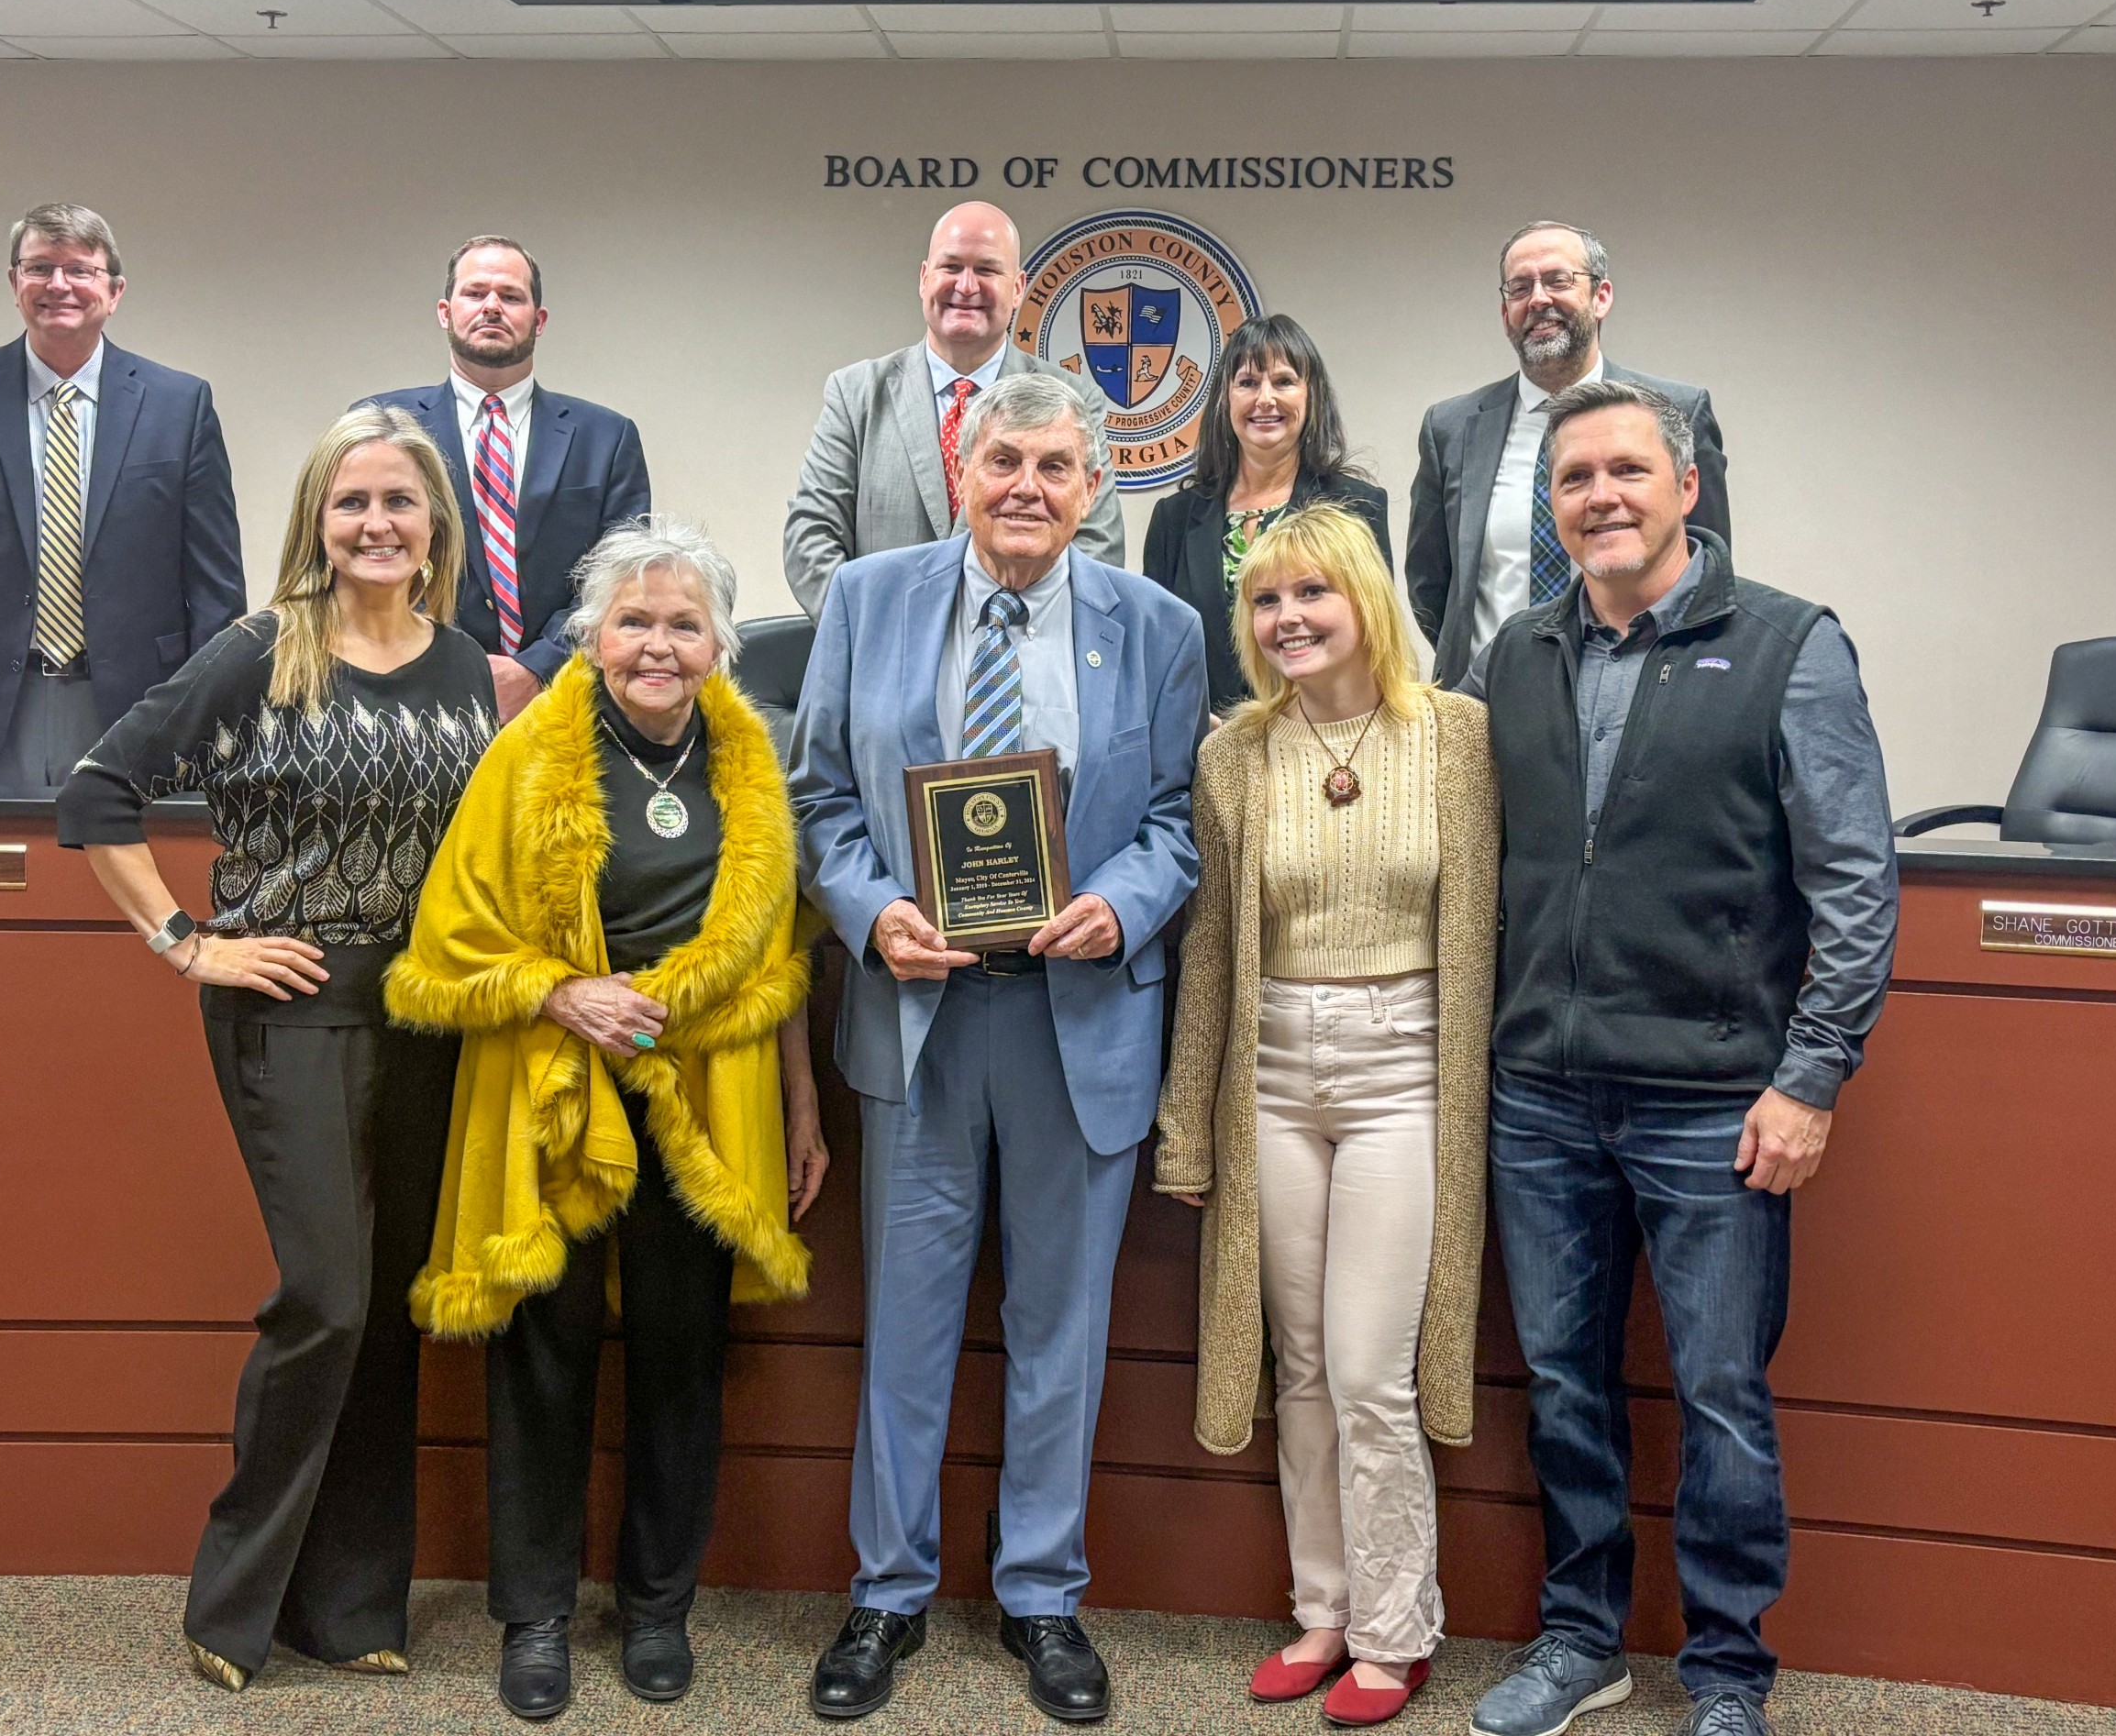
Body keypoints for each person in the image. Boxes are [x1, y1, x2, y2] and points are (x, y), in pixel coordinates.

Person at [1457, 380, 1897, 1736]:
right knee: (1566, 1382)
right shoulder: (1514, 657)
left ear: (1685, 487)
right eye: (1576, 476)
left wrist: (1811, 1077)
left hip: (1715, 1105)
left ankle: (1725, 1672)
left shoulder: (1788, 645)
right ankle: (1582, 1636)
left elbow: (1857, 884)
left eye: (1628, 471)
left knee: (1718, 1399)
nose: (1602, 495)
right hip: (1538, 1094)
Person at [56, 406, 497, 1691]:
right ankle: (234, 1598)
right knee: (328, 1298)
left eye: (398, 503)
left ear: (435, 527)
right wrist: (192, 942)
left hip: (422, 1020)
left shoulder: (467, 666)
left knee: (390, 1315)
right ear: (317, 520)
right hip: (286, 1010)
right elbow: (97, 792)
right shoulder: (262, 651)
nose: (375, 524)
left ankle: (350, 1608)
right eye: (351, 502)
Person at [791, 371, 1204, 1724]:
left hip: (1075, 1018)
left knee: (1059, 1327)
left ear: (1096, 487)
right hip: (917, 1017)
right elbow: (821, 797)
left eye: (1058, 468)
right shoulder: (869, 599)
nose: (1028, 487)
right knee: (905, 1324)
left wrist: (1124, 903)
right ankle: (887, 1592)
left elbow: (1178, 824)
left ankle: (1041, 1593)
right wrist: (870, 911)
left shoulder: (1160, 625)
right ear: (962, 462)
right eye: (1005, 459)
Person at [385, 516, 829, 1719]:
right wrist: (557, 989)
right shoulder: (529, 752)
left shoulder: (751, 764)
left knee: (685, 1357)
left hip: (704, 1094)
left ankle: (655, 1609)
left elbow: (784, 951)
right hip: (555, 1087)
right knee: (547, 1350)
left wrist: (801, 1109)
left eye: (685, 623)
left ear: (722, 644)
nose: (658, 645)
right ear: (591, 635)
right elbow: (450, 936)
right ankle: (534, 1618)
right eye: (634, 620)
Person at [1154, 503, 1497, 1729]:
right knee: (1297, 1367)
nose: (1288, 619)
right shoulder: (1232, 753)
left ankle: (1400, 1631)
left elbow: (1490, 932)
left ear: (1365, 601)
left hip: (1405, 1074)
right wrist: (1188, 1122)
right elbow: (1208, 956)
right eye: (1265, 601)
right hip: (1273, 1080)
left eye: (1312, 596)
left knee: (1367, 1372)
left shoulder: (1456, 738)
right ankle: (1325, 1611)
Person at [0, 201, 244, 787]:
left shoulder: (181, 405)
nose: (59, 285)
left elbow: (215, 586)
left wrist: (210, 718)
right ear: (15, 282)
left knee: (114, 879)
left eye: (80, 270)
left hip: (138, 712)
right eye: (40, 267)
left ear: (115, 290)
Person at [1406, 220, 1728, 690]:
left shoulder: (1675, 411)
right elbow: (1430, 585)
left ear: (1601, 298)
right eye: (1520, 287)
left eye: (1559, 280)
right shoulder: (1451, 428)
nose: (1538, 299)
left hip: (1638, 695)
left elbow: (1707, 569)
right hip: (1490, 701)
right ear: (1505, 313)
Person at [782, 200, 1124, 622]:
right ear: (925, 278)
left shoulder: (1073, 398)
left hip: (1018, 664)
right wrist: (872, 632)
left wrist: (1003, 633)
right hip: (885, 661)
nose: (966, 286)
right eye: (951, 267)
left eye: (986, 270)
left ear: (1018, 288)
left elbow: (1097, 545)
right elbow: (811, 536)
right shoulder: (855, 394)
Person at [364, 235, 650, 724]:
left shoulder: (607, 437)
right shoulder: (382, 424)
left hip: (566, 704)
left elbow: (620, 582)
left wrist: (536, 670)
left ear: (538, 321)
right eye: (475, 293)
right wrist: (454, 669)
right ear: (445, 312)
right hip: (410, 701)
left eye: (511, 296)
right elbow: (359, 564)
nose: (492, 307)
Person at [1143, 315, 1392, 715]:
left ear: (1312, 396)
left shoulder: (1357, 506)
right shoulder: (1174, 519)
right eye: (1247, 383)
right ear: (1226, 399)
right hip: (1204, 747)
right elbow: (1154, 650)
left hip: (1323, 739)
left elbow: (1374, 639)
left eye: (1283, 381)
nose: (1264, 399)